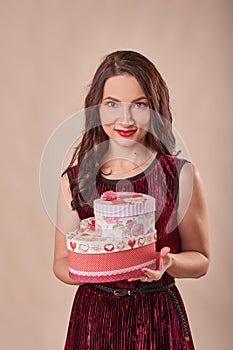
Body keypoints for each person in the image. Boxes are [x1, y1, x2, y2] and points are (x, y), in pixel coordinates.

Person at [53, 50, 210, 349]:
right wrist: (100, 261)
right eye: (112, 104)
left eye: (139, 105)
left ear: (155, 109)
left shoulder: (181, 176)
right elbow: (61, 263)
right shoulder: (75, 180)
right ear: (96, 109)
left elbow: (201, 260)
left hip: (157, 316)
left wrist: (169, 262)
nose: (124, 118)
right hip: (94, 319)